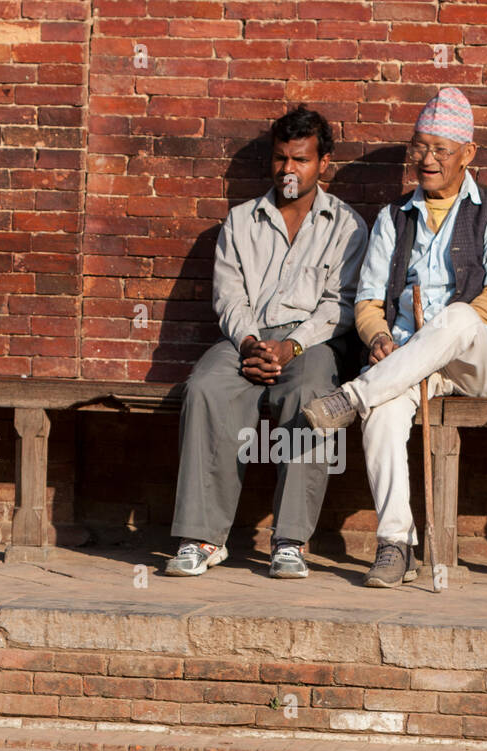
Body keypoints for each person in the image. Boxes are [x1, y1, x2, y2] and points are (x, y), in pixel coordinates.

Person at [302, 87, 487, 588]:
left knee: (455, 319)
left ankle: (352, 396)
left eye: (439, 150)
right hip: (406, 362)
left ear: (468, 154)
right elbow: (366, 302)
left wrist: (428, 340)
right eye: (418, 147)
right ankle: (394, 545)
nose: (426, 160)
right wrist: (381, 338)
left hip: (476, 360)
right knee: (382, 413)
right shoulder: (393, 217)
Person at [165, 106, 367, 579]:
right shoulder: (240, 222)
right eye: (281, 159)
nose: (288, 170)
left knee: (312, 393)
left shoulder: (347, 226)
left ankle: (290, 541)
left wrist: (291, 347)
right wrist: (252, 343)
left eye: (300, 160)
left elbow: (343, 305)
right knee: (205, 389)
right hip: (246, 340)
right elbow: (229, 297)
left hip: (312, 345)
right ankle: (202, 537)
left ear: (323, 163)